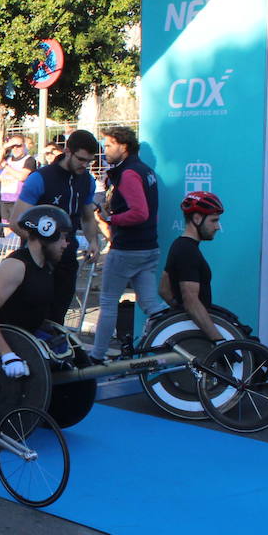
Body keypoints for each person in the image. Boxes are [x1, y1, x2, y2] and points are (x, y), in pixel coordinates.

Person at [88, 126, 168, 364]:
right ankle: (179, 332)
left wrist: (111, 218)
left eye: (109, 145)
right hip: (147, 247)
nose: (105, 150)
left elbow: (140, 212)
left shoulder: (129, 173)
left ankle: (96, 356)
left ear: (124, 146)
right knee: (151, 304)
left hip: (127, 249)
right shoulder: (145, 170)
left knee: (108, 302)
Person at [11, 130, 102, 323]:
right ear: (68, 151)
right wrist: (41, 245)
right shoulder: (40, 178)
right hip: (38, 259)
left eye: (89, 161)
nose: (85, 165)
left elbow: (87, 217)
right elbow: (16, 221)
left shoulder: (87, 180)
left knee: (57, 316)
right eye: (81, 159)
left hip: (67, 256)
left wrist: (93, 240)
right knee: (33, 316)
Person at [0, 205, 74, 377]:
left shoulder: (46, 266)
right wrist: (7, 356)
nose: (66, 244)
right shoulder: (16, 266)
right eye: (63, 238)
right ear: (47, 233)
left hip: (31, 344)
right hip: (8, 352)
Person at [159, 192, 232, 342]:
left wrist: (180, 311)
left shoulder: (180, 245)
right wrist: (219, 341)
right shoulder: (187, 251)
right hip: (197, 334)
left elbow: (164, 290)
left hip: (195, 327)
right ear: (197, 218)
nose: (217, 226)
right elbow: (191, 301)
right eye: (214, 220)